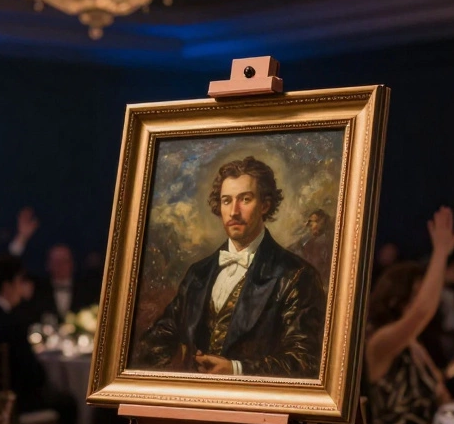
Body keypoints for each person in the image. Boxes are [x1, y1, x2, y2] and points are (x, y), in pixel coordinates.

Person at [131, 156, 326, 378]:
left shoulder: (296, 275)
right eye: (226, 201)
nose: (234, 211)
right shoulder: (199, 273)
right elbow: (158, 337)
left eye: (245, 199)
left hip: (258, 407)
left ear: (265, 205)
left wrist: (236, 370)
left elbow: (305, 361)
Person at [364, 207, 454, 424]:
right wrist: (441, 253)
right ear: (398, 298)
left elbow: (442, 397)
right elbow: (421, 312)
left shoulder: (414, 345)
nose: (428, 301)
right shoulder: (380, 342)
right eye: (419, 294)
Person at [0, 254, 75, 424]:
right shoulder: (10, 323)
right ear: (7, 286)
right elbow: (34, 375)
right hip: (11, 407)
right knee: (67, 403)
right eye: (19, 281)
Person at [16, 243, 100, 327]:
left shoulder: (86, 290)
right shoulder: (37, 290)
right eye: (56, 261)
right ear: (48, 264)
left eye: (64, 261)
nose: (60, 265)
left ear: (72, 263)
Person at [293, 208, 335, 280]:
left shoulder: (325, 243)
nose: (309, 225)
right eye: (309, 222)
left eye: (313, 221)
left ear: (322, 223)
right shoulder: (307, 240)